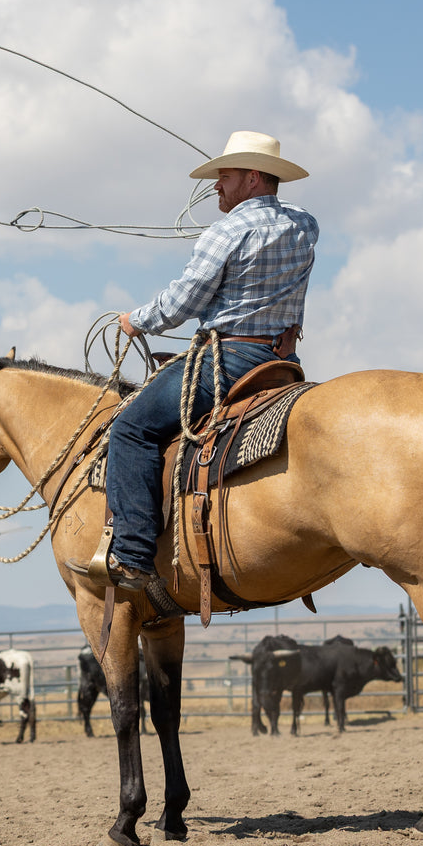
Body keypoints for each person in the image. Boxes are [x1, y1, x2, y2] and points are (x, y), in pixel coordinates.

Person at [104, 130, 317, 590]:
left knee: (130, 429)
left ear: (253, 177)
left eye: (225, 176)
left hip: (230, 360)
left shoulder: (225, 232)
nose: (216, 186)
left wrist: (135, 320)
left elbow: (182, 302)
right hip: (282, 362)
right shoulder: (304, 224)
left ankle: (133, 555)